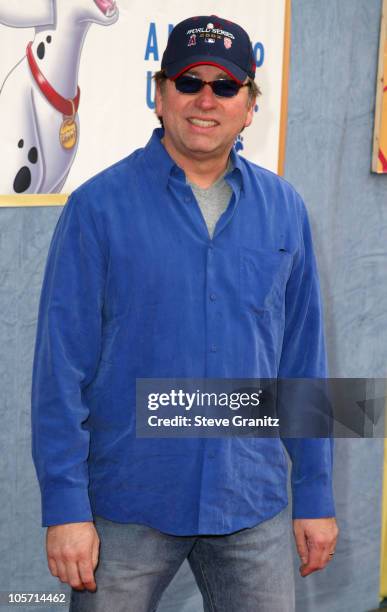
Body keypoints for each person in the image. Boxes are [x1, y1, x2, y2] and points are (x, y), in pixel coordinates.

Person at [31, 14, 339, 612]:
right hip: (127, 501)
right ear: (159, 93)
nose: (206, 99)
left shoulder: (286, 210)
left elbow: (305, 363)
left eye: (226, 86)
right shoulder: (97, 209)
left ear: (249, 105)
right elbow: (58, 371)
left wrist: (317, 492)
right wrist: (66, 508)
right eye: (189, 81)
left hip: (251, 500)